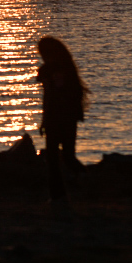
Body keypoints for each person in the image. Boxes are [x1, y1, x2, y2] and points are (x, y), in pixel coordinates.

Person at [38, 36, 88, 202]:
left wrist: (44, 121)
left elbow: (49, 96)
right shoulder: (69, 68)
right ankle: (85, 177)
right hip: (69, 117)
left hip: (55, 118)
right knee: (68, 156)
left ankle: (58, 195)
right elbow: (75, 94)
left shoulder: (47, 70)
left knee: (53, 158)